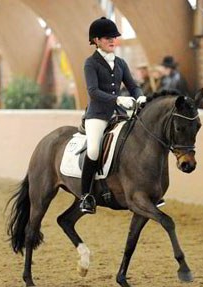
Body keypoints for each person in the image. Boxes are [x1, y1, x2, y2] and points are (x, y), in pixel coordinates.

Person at [80, 17, 146, 214]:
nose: (113, 41)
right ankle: (86, 196)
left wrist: (140, 97)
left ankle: (145, 190)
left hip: (118, 115)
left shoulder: (120, 63)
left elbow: (133, 86)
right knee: (93, 150)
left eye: (114, 37)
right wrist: (117, 99)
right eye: (108, 38)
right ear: (97, 40)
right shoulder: (90, 63)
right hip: (98, 115)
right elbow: (93, 91)